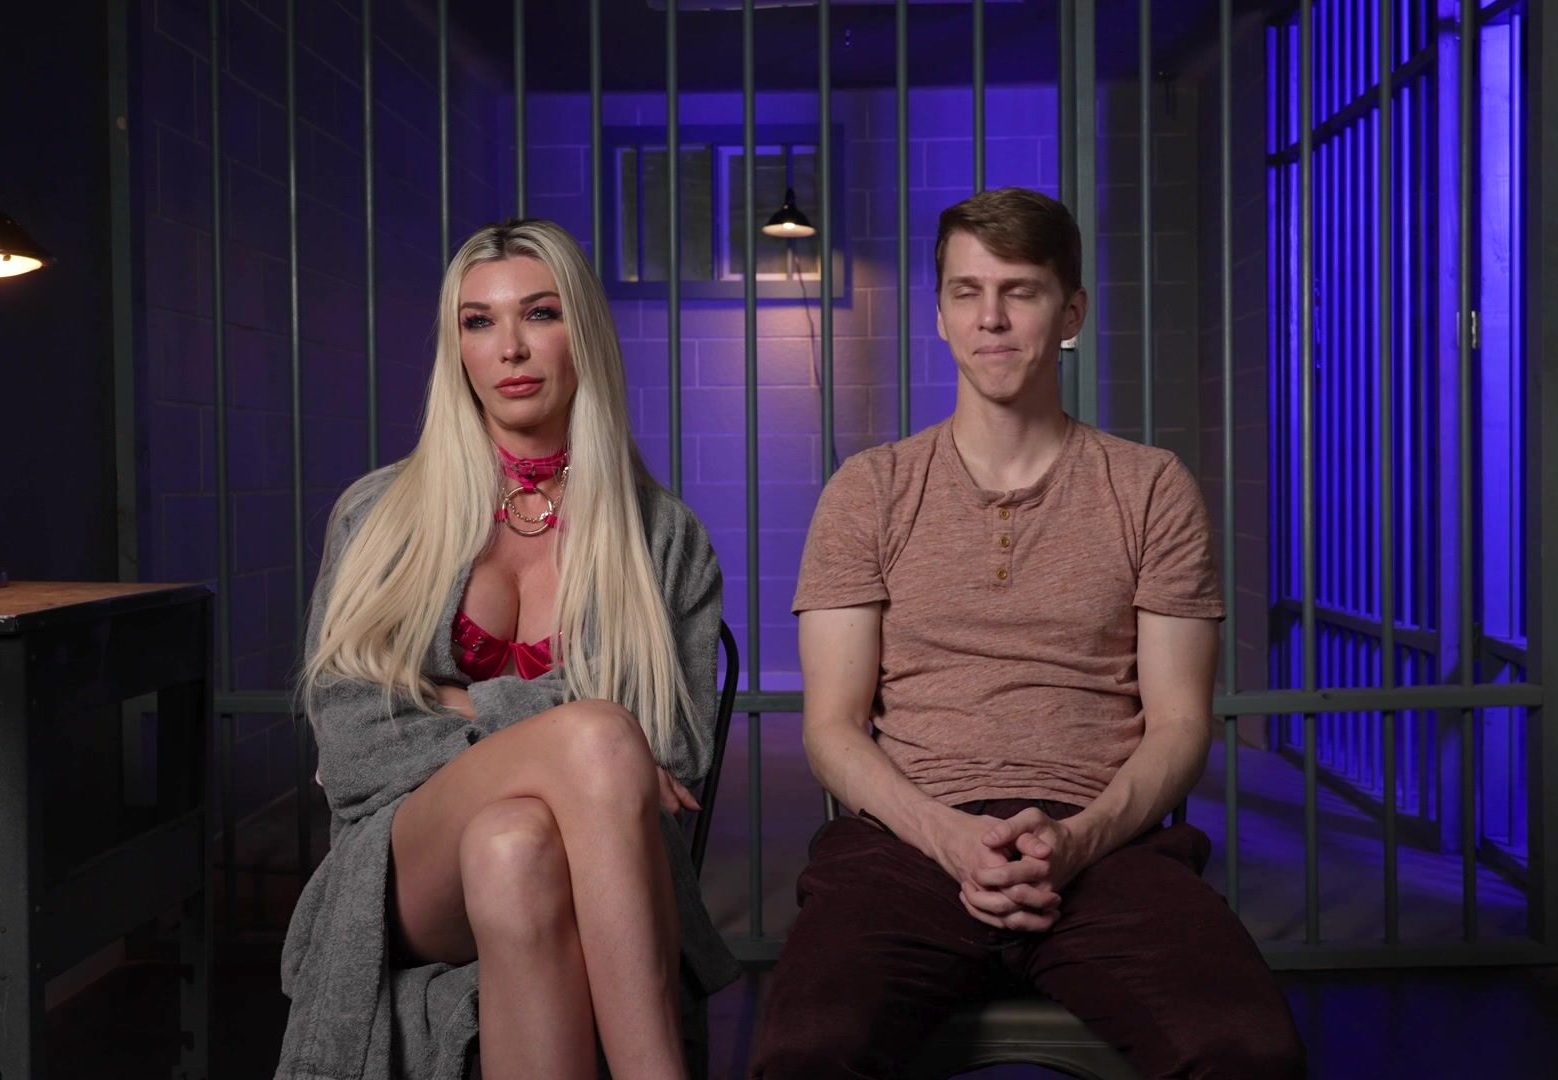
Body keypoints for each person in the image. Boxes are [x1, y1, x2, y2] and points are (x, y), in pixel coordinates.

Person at [753, 187, 1305, 1078]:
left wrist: (1078, 840)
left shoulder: (1151, 488)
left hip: (1105, 843)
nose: (993, 318)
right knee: (806, 1054)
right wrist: (947, 837)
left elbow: (1179, 725)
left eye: (1021, 291)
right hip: (906, 842)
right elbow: (832, 728)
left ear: (1071, 312)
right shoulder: (870, 489)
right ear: (939, 315)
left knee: (1248, 1052)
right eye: (967, 292)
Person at [274, 218, 738, 1080]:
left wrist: (452, 705)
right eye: (479, 321)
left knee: (515, 844)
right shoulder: (379, 516)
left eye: (540, 313)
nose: (511, 348)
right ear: (457, 348)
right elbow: (354, 744)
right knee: (596, 734)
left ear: (581, 332)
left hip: (569, 862)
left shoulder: (663, 537)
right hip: (405, 864)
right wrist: (569, 733)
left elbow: (673, 756)